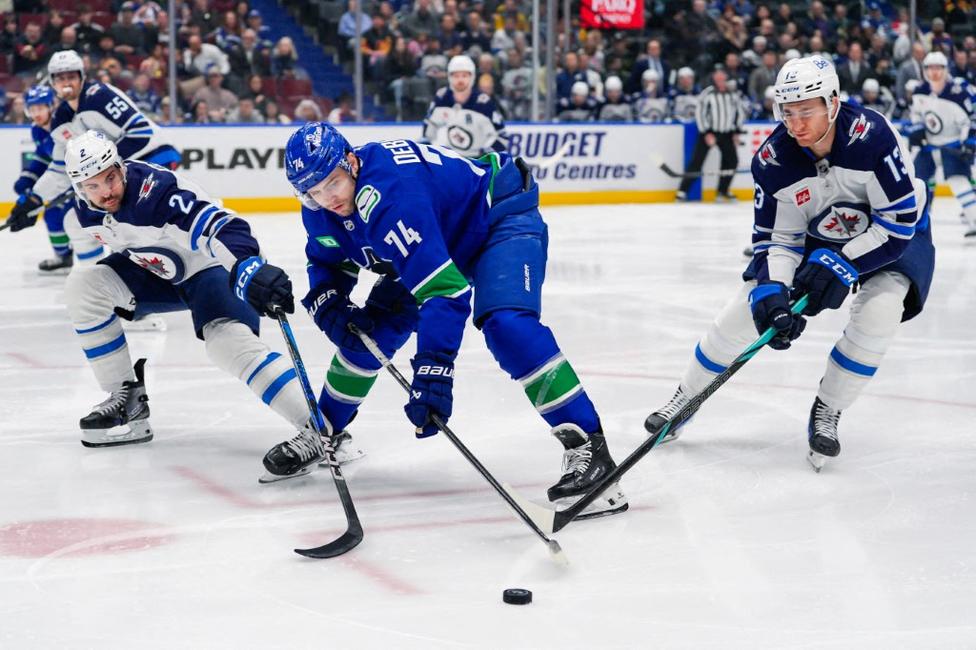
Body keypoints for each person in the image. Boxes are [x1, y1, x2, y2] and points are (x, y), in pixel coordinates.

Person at [238, 122, 629, 516]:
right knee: (366, 336)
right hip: (436, 235)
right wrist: (328, 297)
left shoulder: (391, 197)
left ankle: (591, 451)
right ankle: (325, 431)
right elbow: (328, 259)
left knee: (507, 325)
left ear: (352, 162)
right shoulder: (322, 208)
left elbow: (445, 292)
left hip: (494, 218)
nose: (327, 199)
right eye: (313, 192)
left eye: (333, 184)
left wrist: (434, 370)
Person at [645, 56, 934, 472]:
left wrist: (842, 263)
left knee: (880, 313)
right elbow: (777, 240)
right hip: (821, 236)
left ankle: (829, 410)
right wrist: (775, 291)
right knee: (742, 313)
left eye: (806, 111)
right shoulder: (774, 160)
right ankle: (685, 397)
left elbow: (898, 224)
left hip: (893, 237)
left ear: (833, 102)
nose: (795, 124)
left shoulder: (873, 136)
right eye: (788, 112)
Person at [60, 130, 358, 481]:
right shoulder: (83, 211)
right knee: (84, 286)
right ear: (80, 189)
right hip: (160, 271)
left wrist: (247, 266)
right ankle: (127, 399)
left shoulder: (153, 191)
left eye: (110, 177)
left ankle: (323, 432)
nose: (106, 191)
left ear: (120, 167)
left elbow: (221, 225)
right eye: (93, 186)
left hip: (211, 266)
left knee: (227, 345)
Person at [7, 51, 181, 270]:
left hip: (153, 159)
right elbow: (62, 168)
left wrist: (97, 166)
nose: (66, 83)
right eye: (60, 78)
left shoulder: (99, 95)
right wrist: (34, 199)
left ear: (81, 76)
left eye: (71, 76)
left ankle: (164, 268)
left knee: (137, 222)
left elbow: (140, 133)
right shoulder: (60, 119)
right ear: (52, 82)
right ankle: (98, 275)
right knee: (76, 221)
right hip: (114, 176)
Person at [4, 86, 77, 273]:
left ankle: (92, 258)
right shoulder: (37, 130)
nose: (36, 113)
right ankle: (63, 256)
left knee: (74, 218)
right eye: (32, 109)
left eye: (40, 108)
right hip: (60, 181)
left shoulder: (63, 126)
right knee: (52, 215)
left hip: (79, 182)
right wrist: (27, 178)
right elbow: (42, 158)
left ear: (50, 106)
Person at [906, 51, 976, 237]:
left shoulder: (959, 92)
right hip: (929, 147)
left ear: (945, 69)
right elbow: (916, 115)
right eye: (930, 68)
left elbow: (972, 118)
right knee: (919, 184)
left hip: (952, 146)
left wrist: (970, 141)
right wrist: (917, 130)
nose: (934, 72)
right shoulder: (920, 91)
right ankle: (920, 224)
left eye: (938, 68)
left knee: (959, 182)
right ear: (924, 70)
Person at [676, 68, 746, 202]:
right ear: (713, 78)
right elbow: (700, 113)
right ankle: (682, 191)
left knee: (731, 161)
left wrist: (736, 132)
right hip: (709, 132)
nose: (720, 79)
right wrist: (706, 132)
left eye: (722, 77)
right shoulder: (707, 93)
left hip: (727, 133)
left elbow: (739, 113)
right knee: (697, 161)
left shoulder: (733, 94)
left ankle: (722, 191)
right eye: (717, 77)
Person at [422, 55, 509, 157]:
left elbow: (503, 137)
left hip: (476, 161)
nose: (460, 80)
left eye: (464, 76)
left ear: (472, 77)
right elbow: (428, 129)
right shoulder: (442, 98)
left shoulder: (483, 103)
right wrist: (428, 152)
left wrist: (485, 156)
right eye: (456, 76)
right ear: (450, 77)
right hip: (452, 159)